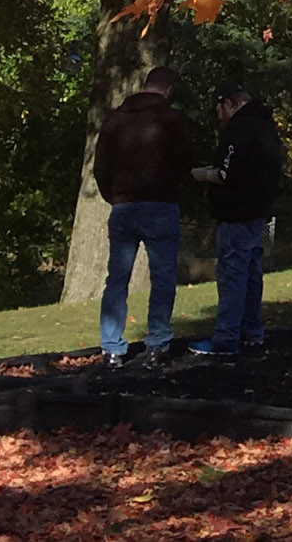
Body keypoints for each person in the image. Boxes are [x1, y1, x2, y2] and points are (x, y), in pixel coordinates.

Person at [91, 66, 193, 368]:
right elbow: (186, 160)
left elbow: (100, 167)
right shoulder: (173, 120)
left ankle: (111, 347)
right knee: (162, 278)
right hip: (160, 204)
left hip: (123, 206)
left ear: (143, 85)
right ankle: (158, 343)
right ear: (169, 90)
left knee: (117, 279)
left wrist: (116, 197)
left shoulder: (115, 120)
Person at [187, 82, 282, 356]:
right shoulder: (266, 127)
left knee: (232, 275)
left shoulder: (239, 130)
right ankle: (252, 332)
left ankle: (226, 337)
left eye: (219, 109)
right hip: (258, 211)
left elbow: (228, 173)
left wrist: (203, 174)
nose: (219, 117)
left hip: (236, 214)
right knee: (252, 273)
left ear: (229, 103)